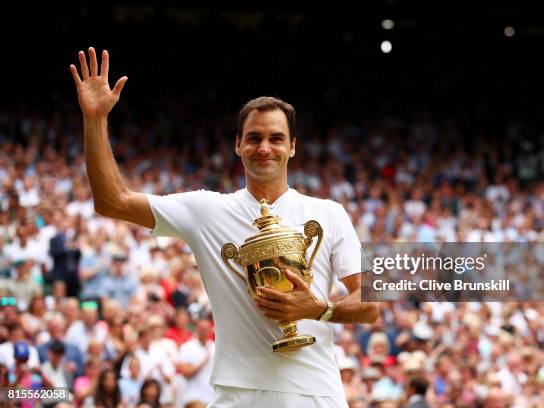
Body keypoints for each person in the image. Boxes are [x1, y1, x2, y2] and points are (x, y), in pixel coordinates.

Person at [70, 47, 379, 407]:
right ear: (238, 145)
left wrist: (319, 309)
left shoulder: (330, 213)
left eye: (276, 138)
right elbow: (112, 201)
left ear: (292, 147)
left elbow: (371, 305)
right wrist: (95, 120)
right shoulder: (206, 210)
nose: (264, 147)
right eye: (254, 138)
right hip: (237, 395)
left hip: (316, 394)